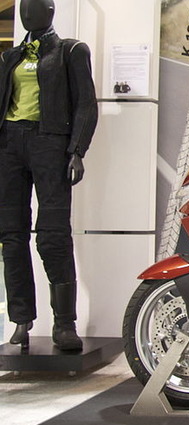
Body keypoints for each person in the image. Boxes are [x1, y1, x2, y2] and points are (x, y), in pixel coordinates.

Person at [0, 0, 98, 350]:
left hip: (50, 143)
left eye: (35, 7)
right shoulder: (11, 57)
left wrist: (77, 151)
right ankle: (22, 318)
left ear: (51, 10)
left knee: (53, 235)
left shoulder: (70, 50)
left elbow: (86, 102)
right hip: (10, 144)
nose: (27, 13)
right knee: (11, 235)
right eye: (24, 8)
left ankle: (64, 323)